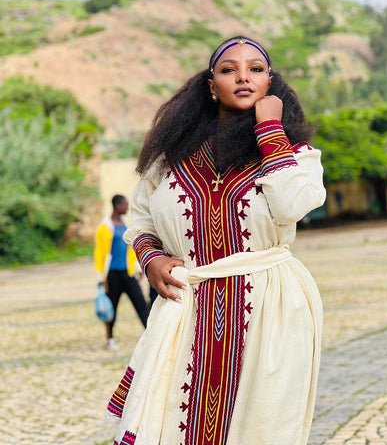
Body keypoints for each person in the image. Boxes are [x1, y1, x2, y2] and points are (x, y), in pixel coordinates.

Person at [106, 36, 326, 444]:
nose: (243, 77)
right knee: (172, 423)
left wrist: (270, 129)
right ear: (211, 85)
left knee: (261, 426)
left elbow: (291, 204)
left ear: (270, 82)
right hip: (189, 306)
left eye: (256, 69)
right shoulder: (171, 156)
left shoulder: (296, 153)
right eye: (229, 69)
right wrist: (151, 258)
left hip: (270, 308)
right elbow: (140, 217)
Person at [94, 194, 149, 350]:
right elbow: (99, 254)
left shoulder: (126, 225)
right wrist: (100, 277)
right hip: (112, 275)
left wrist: (138, 268)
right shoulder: (104, 227)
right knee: (112, 307)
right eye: (125, 205)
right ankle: (110, 338)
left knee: (141, 304)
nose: (127, 207)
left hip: (128, 273)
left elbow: (131, 249)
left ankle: (151, 335)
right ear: (117, 206)